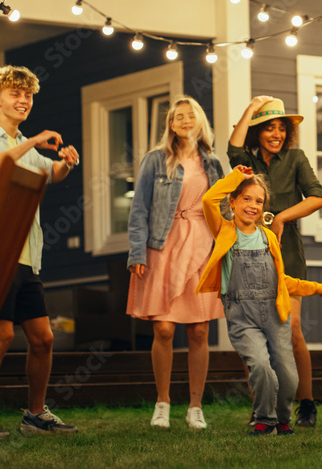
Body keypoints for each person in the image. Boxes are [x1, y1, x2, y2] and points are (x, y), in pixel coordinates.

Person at [0, 65, 79, 439]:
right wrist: (32, 141)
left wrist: (66, 163)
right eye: (15, 93)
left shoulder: (25, 142)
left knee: (43, 338)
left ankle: (36, 414)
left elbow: (50, 173)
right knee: (2, 335)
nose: (23, 100)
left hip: (27, 256)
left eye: (27, 95)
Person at [196, 166, 322, 436]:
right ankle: (264, 419)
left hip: (275, 314)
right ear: (232, 202)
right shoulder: (224, 231)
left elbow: (281, 280)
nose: (253, 205)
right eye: (246, 199)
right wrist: (237, 177)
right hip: (242, 316)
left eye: (259, 201)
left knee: (287, 374)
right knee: (261, 367)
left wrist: (316, 288)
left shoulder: (269, 238)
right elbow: (207, 200)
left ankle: (282, 421)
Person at [127, 97, 224, 430]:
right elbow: (139, 207)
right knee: (164, 329)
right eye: (177, 116)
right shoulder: (155, 160)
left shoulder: (212, 162)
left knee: (199, 331)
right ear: (170, 124)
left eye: (190, 115)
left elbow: (224, 211)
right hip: (163, 246)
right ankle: (163, 401)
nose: (184, 120)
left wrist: (227, 251)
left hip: (203, 247)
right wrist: (137, 252)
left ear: (200, 122)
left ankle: (195, 405)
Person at [228, 96, 322, 427]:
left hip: (288, 255)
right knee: (255, 332)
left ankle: (307, 403)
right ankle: (263, 408)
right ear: (258, 132)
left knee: (292, 328)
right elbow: (232, 147)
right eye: (269, 127)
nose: (276, 134)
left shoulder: (296, 159)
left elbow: (317, 197)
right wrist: (251, 107)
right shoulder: (246, 163)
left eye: (281, 128)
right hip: (250, 258)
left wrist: (282, 216)